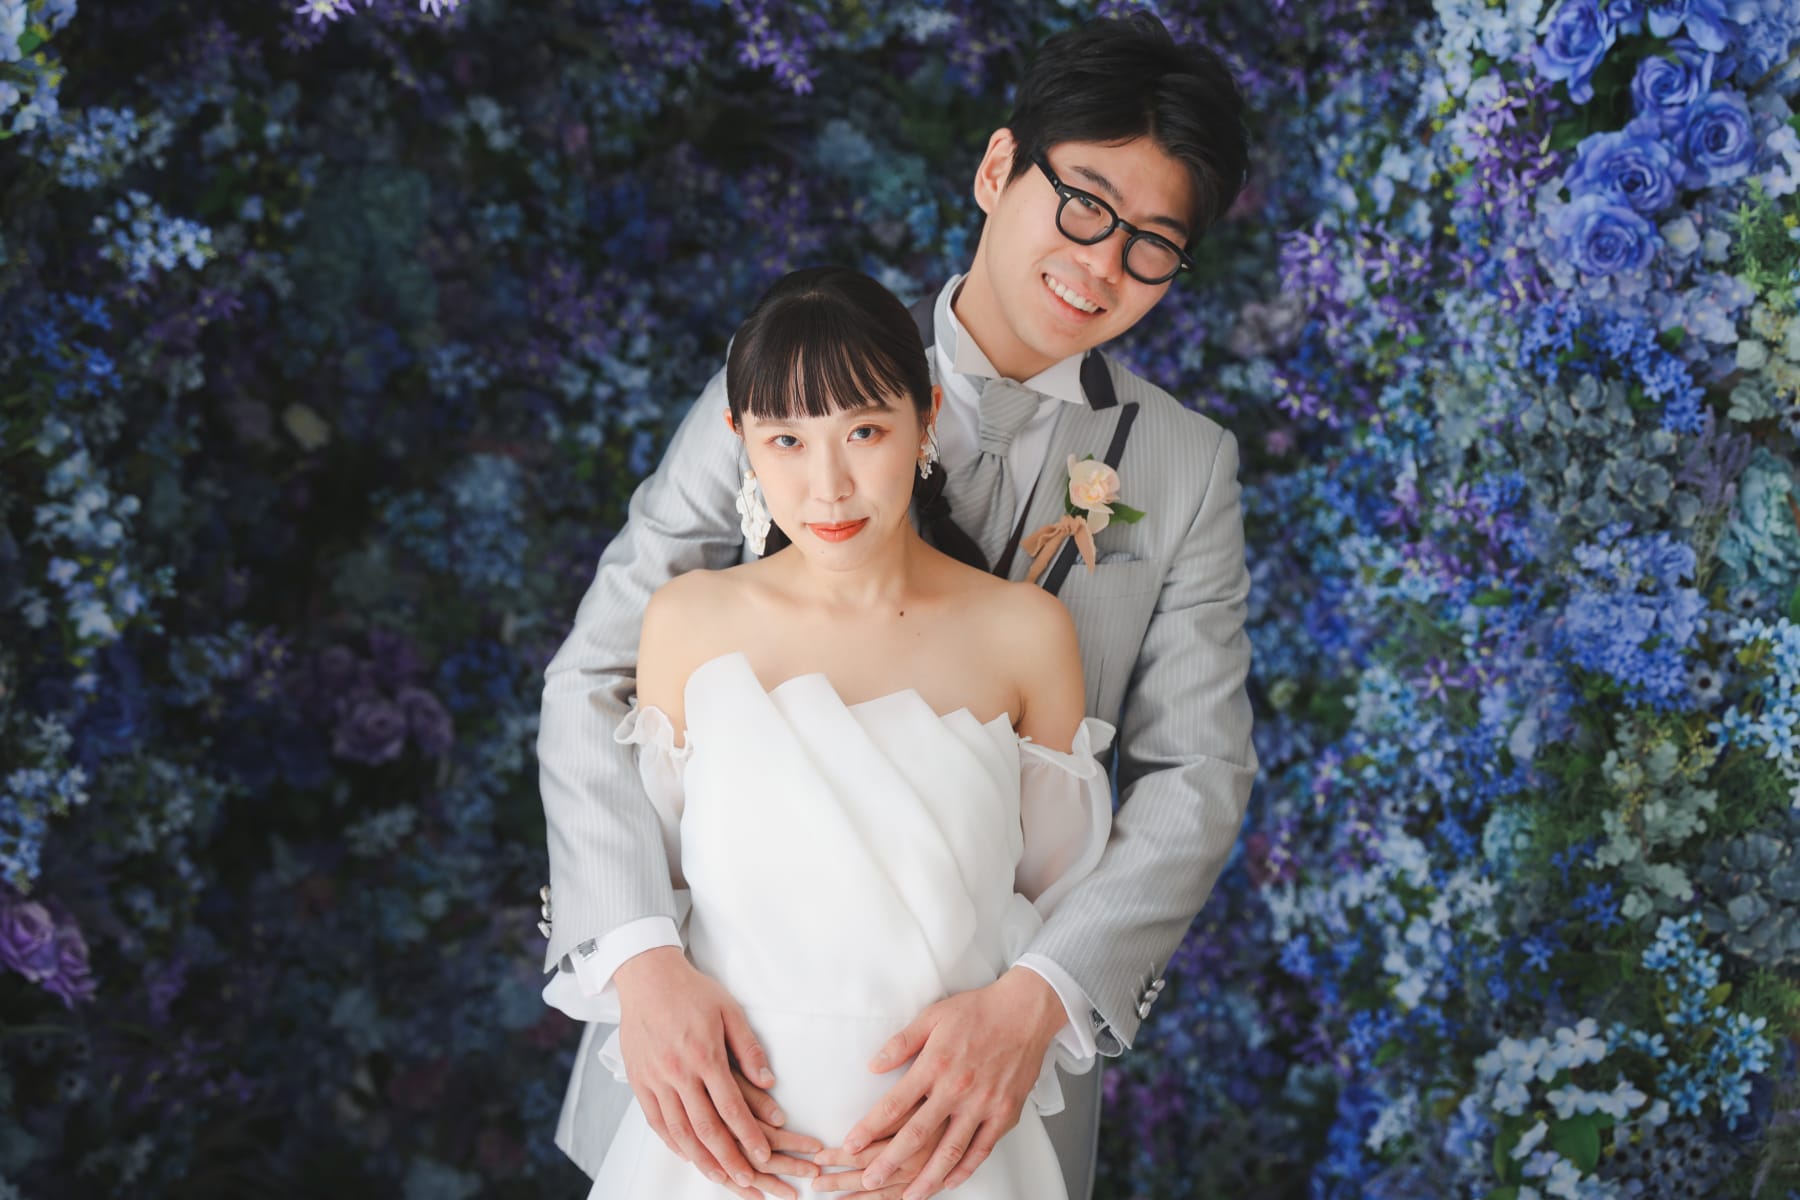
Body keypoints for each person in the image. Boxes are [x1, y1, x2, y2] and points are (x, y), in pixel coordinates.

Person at [537, 12, 1257, 1200]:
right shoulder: (792, 373)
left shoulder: (1183, 465)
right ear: (998, 168)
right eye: (1084, 204)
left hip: (979, 1095)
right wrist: (640, 961)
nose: (1100, 263)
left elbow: (1200, 770)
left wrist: (1039, 998)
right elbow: (595, 674)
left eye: (1152, 245)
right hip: (720, 1070)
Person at [545, 264, 1118, 1199]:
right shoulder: (688, 623)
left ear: (926, 419)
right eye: (786, 440)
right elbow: (657, 870)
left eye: (864, 432)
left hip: (943, 1144)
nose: (829, 487)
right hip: (725, 1145)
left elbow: (1061, 894)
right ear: (739, 439)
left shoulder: (1025, 633)